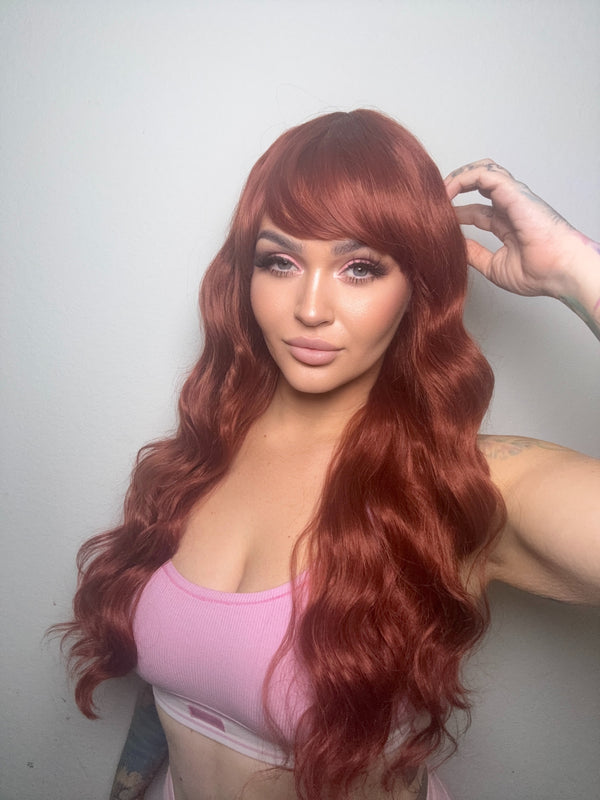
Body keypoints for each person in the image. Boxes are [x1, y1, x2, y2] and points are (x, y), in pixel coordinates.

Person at [56, 109, 600, 800]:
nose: (310, 307)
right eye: (279, 262)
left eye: (360, 268)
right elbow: (172, 695)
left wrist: (578, 270)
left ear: (418, 288)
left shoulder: (462, 485)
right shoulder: (197, 456)